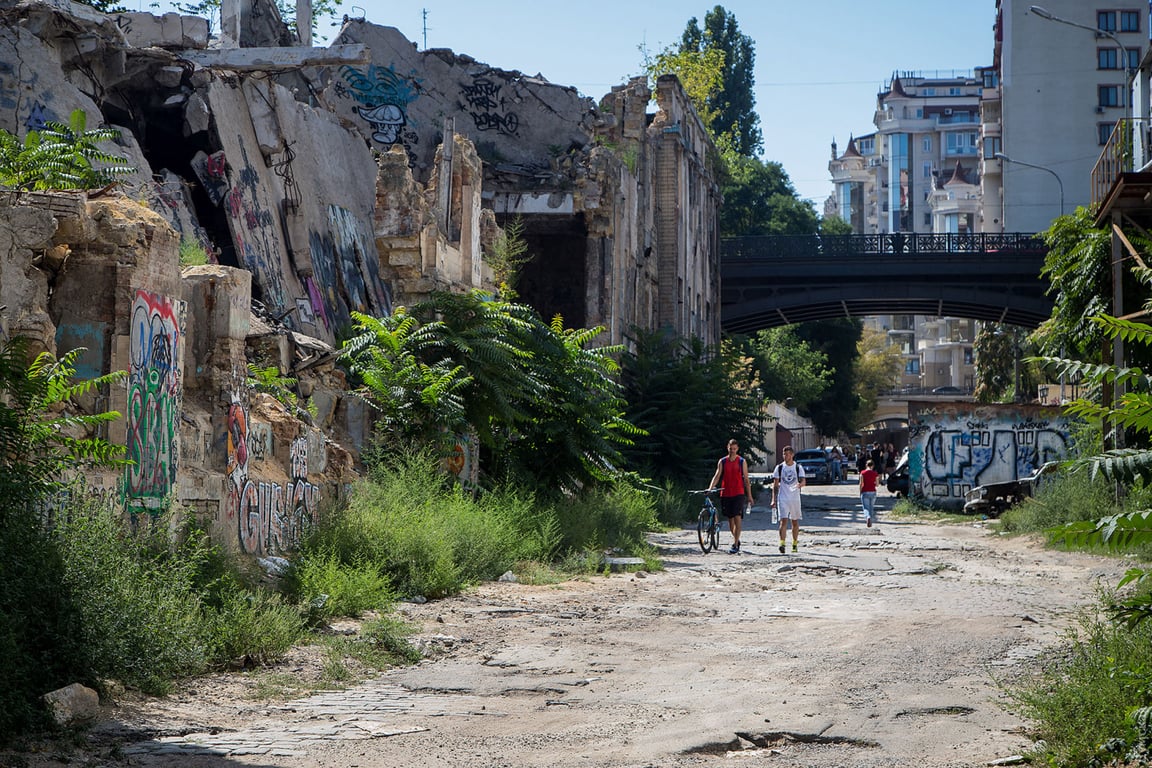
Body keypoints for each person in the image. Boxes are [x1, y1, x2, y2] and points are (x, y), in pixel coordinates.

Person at [707, 438, 752, 554]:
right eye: (730, 448)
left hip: (738, 493)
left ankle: (735, 543)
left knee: (737, 517)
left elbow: (746, 480)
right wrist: (711, 487)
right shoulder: (722, 461)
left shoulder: (742, 461)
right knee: (730, 521)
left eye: (734, 449)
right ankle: (736, 538)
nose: (732, 451)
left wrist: (750, 496)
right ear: (727, 448)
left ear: (737, 449)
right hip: (726, 493)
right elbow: (717, 476)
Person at [771, 445, 806, 553]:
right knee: (783, 521)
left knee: (794, 522)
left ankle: (795, 543)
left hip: (795, 498)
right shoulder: (779, 468)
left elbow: (804, 481)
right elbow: (775, 485)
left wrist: (799, 485)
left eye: (787, 454)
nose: (785, 456)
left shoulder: (798, 467)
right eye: (784, 454)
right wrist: (773, 499)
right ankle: (782, 543)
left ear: (792, 455)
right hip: (783, 498)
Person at [859, 458, 879, 528]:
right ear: (873, 466)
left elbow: (861, 483)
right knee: (871, 507)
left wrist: (860, 491)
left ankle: (867, 517)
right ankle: (871, 519)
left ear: (866, 465)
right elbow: (877, 484)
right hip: (873, 492)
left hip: (865, 491)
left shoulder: (862, 473)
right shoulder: (875, 474)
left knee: (866, 508)